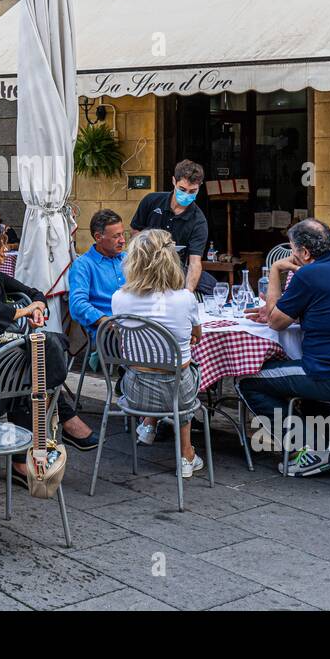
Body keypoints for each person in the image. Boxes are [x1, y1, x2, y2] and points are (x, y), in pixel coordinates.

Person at [0, 215, 98, 459]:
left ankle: (24, 461)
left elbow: (35, 293)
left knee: (28, 374)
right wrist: (26, 310)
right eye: (0, 244)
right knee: (30, 369)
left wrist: (39, 308)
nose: (5, 249)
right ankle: (64, 420)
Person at [242, 218, 330, 476]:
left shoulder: (310, 274)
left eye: (292, 250)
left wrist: (276, 269)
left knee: (248, 381)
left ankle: (312, 447)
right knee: (300, 370)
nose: (291, 255)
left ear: (305, 253)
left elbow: (275, 322)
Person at [109, 229, 205, 478]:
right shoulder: (185, 298)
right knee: (185, 367)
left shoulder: (119, 298)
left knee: (157, 365)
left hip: (135, 392)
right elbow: (197, 336)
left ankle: (149, 424)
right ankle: (186, 455)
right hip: (178, 394)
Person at [130, 159, 211, 294]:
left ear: (199, 187)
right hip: (144, 267)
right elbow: (135, 230)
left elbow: (195, 262)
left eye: (192, 191)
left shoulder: (199, 221)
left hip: (175, 272)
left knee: (210, 285)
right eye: (182, 189)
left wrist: (187, 293)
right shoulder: (151, 201)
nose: (186, 195)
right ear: (174, 181)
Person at [68, 209, 126, 344]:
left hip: (137, 326)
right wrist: (105, 321)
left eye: (123, 234)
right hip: (108, 334)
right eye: (116, 236)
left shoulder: (128, 258)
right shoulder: (83, 265)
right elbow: (77, 305)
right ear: (98, 237)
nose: (122, 240)